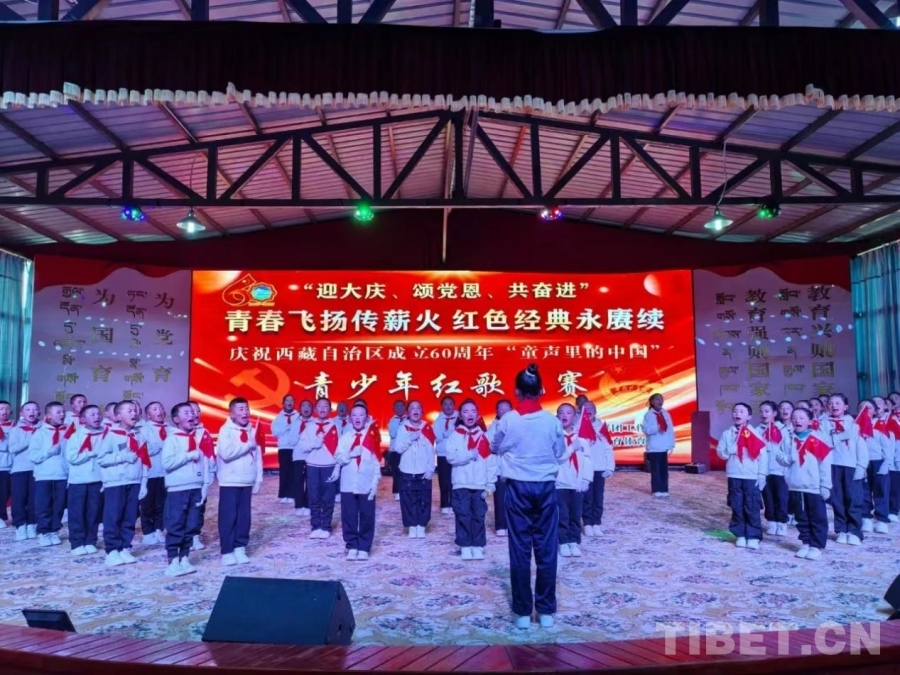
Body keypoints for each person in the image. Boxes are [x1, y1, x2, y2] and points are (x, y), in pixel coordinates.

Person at [491, 364, 568, 629]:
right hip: (545, 487)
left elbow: (495, 446)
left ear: (517, 391)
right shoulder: (552, 421)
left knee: (520, 549)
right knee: (547, 547)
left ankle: (522, 612)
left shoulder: (508, 420)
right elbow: (560, 453)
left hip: (517, 488)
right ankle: (545, 611)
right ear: (541, 390)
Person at [97, 401, 149, 566]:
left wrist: (144, 482)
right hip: (115, 483)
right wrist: (122, 457)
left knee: (130, 516)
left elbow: (145, 460)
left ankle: (125, 547)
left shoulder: (139, 435)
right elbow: (101, 459)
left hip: (134, 481)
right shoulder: (110, 435)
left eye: (135, 410)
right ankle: (112, 550)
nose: (134, 413)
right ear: (118, 416)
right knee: (113, 516)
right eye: (129, 411)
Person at [776, 407, 832, 559]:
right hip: (795, 485)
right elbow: (779, 457)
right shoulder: (788, 439)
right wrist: (788, 459)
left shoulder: (817, 439)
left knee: (817, 517)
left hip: (814, 487)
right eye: (794, 418)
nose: (797, 420)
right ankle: (806, 542)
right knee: (801, 517)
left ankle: (816, 546)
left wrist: (825, 485)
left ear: (810, 421)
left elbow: (825, 464)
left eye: (801, 418)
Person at [162, 402, 210, 576]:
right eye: (186, 413)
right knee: (176, 524)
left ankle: (184, 558)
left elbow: (203, 462)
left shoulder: (196, 438)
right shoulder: (172, 439)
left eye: (192, 412)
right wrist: (188, 456)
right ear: (176, 419)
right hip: (178, 490)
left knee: (192, 525)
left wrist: (204, 484)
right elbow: (167, 463)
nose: (192, 415)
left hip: (195, 487)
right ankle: (173, 561)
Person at [447, 399, 498, 561]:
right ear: (460, 416)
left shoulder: (483, 437)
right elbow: (451, 457)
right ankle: (465, 545)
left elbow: (490, 461)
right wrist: (469, 455)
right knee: (463, 514)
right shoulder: (455, 436)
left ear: (478, 415)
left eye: (473, 411)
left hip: (479, 483)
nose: (469, 414)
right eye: (465, 411)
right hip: (461, 483)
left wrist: (491, 482)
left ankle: (478, 545)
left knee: (479, 515)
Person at [217, 398, 263, 566]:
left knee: (244, 517)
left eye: (247, 409)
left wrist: (258, 478)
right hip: (230, 481)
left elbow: (257, 456)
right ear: (232, 413)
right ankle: (227, 551)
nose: (245, 412)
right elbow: (226, 453)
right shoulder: (225, 430)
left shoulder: (252, 430)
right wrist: (247, 445)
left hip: (247, 480)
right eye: (241, 409)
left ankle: (240, 547)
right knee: (228, 516)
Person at [332, 404, 380, 560]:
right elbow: (338, 457)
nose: (358, 418)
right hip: (348, 483)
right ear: (350, 418)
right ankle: (352, 545)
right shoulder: (346, 437)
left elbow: (376, 462)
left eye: (361, 415)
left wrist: (375, 482)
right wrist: (351, 454)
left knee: (367, 515)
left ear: (366, 417)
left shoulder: (371, 437)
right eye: (354, 415)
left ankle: (364, 546)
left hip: (366, 482)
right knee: (349, 515)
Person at [716, 403, 767, 550]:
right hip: (734, 474)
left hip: (751, 475)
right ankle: (740, 534)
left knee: (752, 505)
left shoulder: (754, 433)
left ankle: (753, 536)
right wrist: (729, 450)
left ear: (749, 416)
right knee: (736, 504)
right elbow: (721, 453)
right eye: (735, 411)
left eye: (741, 411)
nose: (737, 414)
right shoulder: (727, 433)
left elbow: (763, 456)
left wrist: (762, 475)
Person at [820, 393, 867, 546]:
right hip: (832, 465)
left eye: (838, 403)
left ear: (846, 407)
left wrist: (861, 466)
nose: (834, 406)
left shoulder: (854, 424)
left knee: (854, 498)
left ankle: (854, 531)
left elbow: (861, 447)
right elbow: (822, 444)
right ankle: (841, 530)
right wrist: (839, 437)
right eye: (831, 403)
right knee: (837, 499)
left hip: (851, 465)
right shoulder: (823, 424)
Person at [65, 405, 105, 556]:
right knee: (77, 512)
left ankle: (90, 541)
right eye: (92, 414)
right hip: (78, 481)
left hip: (98, 479)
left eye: (98, 414)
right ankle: (76, 542)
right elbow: (71, 458)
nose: (97, 417)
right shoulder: (76, 436)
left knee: (93, 512)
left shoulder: (106, 435)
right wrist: (90, 453)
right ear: (83, 419)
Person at [393, 400, 435, 538]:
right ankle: (411, 525)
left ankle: (421, 525)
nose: (415, 410)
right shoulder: (403, 428)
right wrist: (410, 438)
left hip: (423, 470)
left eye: (418, 408)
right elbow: (398, 448)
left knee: (424, 498)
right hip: (407, 469)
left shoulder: (427, 428)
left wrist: (430, 468)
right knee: (408, 498)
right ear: (408, 412)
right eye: (412, 408)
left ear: (422, 411)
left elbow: (431, 450)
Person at [29, 402, 69, 547]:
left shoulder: (68, 433)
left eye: (63, 412)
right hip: (44, 475)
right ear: (48, 415)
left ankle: (54, 530)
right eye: (58, 412)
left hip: (62, 475)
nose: (62, 415)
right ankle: (44, 531)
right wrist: (48, 452)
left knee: (59, 505)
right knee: (44, 505)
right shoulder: (40, 433)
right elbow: (33, 456)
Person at [299, 398, 340, 538]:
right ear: (315, 409)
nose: (322, 409)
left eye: (325, 406)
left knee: (328, 498)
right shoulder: (310, 426)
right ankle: (315, 526)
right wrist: (314, 444)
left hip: (329, 466)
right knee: (313, 496)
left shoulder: (334, 426)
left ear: (330, 409)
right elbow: (303, 446)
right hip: (313, 466)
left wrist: (337, 467)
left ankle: (326, 527)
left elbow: (340, 448)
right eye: (319, 406)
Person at [555, 403, 592, 558]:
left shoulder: (582, 439)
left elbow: (587, 460)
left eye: (569, 412)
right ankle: (563, 541)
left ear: (575, 417)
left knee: (576, 513)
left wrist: (586, 480)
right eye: (561, 412)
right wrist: (571, 448)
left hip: (576, 483)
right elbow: (557, 459)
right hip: (559, 483)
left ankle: (574, 541)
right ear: (557, 416)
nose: (565, 415)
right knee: (562, 514)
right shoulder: (555, 437)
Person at [581, 401, 614, 538]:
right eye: (586, 408)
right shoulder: (578, 426)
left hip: (599, 467)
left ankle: (596, 523)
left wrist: (610, 467)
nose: (589, 410)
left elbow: (608, 448)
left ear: (595, 411)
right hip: (585, 468)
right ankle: (587, 524)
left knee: (598, 497)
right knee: (587, 497)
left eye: (591, 408)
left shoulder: (602, 427)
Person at [859, 398, 892, 534]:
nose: (865, 411)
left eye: (869, 408)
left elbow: (887, 448)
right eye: (862, 408)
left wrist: (886, 464)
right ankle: (866, 518)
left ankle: (882, 519)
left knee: (880, 491)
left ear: (874, 411)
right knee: (863, 491)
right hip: (862, 462)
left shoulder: (880, 425)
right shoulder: (855, 427)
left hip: (878, 462)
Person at [8, 401, 40, 540]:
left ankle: (32, 524)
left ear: (39, 413)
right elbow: (12, 448)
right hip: (19, 469)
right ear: (22, 413)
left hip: (38, 469)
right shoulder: (15, 430)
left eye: (35, 409)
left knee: (34, 499)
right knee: (19, 498)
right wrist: (30, 438)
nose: (32, 412)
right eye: (28, 409)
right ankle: (20, 525)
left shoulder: (43, 429)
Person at [138, 401, 169, 546]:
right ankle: (147, 531)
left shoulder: (170, 429)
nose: (159, 411)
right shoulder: (143, 430)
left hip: (166, 473)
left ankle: (159, 528)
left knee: (162, 503)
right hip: (149, 473)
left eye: (161, 408)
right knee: (147, 504)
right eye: (155, 409)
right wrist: (159, 446)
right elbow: (142, 451)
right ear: (148, 415)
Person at [758, 401, 791, 537]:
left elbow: (788, 450)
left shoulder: (782, 430)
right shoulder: (757, 430)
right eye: (761, 411)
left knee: (782, 498)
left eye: (767, 411)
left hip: (780, 470)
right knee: (768, 497)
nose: (764, 414)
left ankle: (782, 522)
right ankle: (771, 521)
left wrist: (787, 468)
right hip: (765, 470)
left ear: (774, 413)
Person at [189, 400, 215, 551]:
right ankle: (184, 536)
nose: (195, 414)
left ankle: (195, 535)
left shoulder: (204, 433)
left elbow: (210, 454)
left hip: (200, 476)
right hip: (184, 478)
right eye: (191, 411)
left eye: (197, 411)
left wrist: (211, 472)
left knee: (199, 506)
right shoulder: (177, 434)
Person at [487, 399, 512, 537]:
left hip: (514, 468)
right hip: (499, 467)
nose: (504, 411)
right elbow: (490, 445)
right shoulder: (493, 427)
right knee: (500, 497)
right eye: (501, 409)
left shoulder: (517, 424)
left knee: (515, 498)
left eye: (507, 409)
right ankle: (501, 525)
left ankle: (513, 525)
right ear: (497, 411)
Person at [642, 393, 674, 497]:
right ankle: (656, 490)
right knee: (656, 470)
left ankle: (664, 489)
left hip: (664, 446)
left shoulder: (666, 414)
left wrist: (672, 444)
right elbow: (646, 430)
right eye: (657, 399)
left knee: (664, 470)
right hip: (654, 447)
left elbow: (670, 430)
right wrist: (657, 427)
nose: (660, 401)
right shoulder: (648, 415)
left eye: (661, 399)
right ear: (652, 402)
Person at [271, 395, 300, 505]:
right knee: (284, 471)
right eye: (287, 400)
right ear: (283, 403)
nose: (289, 402)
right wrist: (287, 427)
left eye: (291, 400)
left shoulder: (298, 416)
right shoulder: (278, 418)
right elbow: (275, 432)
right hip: (283, 447)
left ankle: (292, 494)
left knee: (294, 472)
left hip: (295, 448)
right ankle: (283, 494)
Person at [433, 396, 459, 514]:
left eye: (450, 404)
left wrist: (446, 434)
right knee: (443, 480)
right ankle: (444, 504)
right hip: (442, 453)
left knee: (455, 479)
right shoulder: (438, 420)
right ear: (442, 406)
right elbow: (437, 437)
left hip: (456, 453)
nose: (448, 406)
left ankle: (454, 503)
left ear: (454, 405)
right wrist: (450, 432)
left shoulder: (459, 418)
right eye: (445, 404)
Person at [387, 400, 407, 502]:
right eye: (397, 406)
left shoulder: (408, 419)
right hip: (394, 450)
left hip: (406, 449)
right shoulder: (392, 420)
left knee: (405, 471)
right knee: (396, 471)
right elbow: (392, 434)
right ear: (394, 408)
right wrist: (401, 426)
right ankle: (397, 491)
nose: (399, 408)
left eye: (401, 406)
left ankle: (405, 490)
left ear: (404, 407)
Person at [0, 400, 14, 529]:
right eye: (1, 409)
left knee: (9, 493)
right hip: (1, 465)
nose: (4, 411)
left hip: (12, 466)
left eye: (7, 409)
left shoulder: (15, 426)